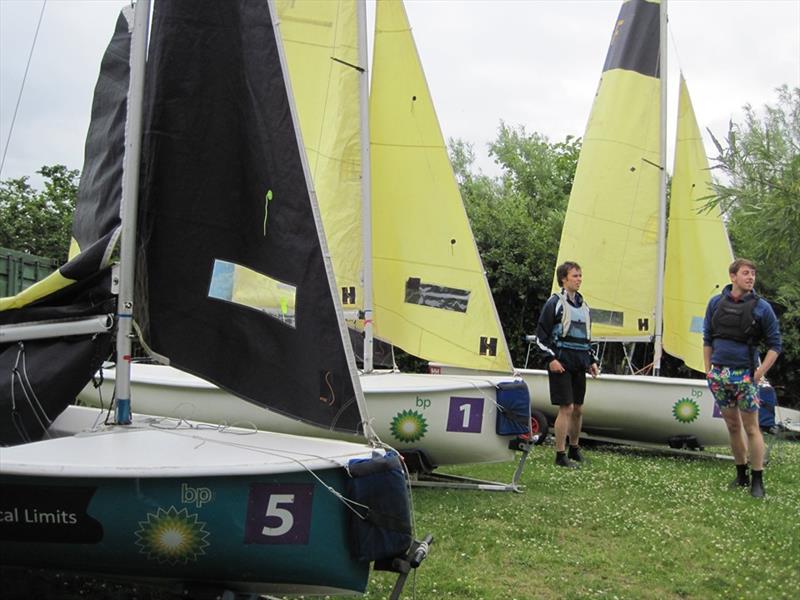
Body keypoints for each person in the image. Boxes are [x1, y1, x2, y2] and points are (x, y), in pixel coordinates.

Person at [703, 258, 781, 498]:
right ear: (732, 276)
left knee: (752, 427)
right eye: (746, 273)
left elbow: (775, 345)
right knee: (732, 425)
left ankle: (757, 479)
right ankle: (740, 474)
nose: (751, 278)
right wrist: (708, 370)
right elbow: (707, 338)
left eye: (753, 274)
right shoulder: (715, 303)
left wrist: (759, 373)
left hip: (746, 375)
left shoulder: (762, 308)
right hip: (720, 374)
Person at [536, 261, 599, 468]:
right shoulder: (554, 303)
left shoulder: (584, 306)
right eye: (575, 276)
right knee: (567, 408)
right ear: (564, 279)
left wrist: (592, 361)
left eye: (580, 276)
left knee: (578, 409)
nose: (579, 279)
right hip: (560, 364)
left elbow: (587, 340)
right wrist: (550, 360)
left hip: (579, 364)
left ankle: (574, 448)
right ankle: (560, 454)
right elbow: (541, 337)